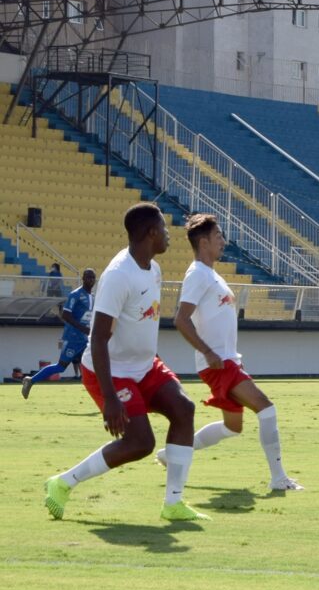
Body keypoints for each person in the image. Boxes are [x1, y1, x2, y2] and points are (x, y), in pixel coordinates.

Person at [43, 203, 207, 521]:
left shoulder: (153, 269)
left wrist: (151, 358)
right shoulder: (119, 276)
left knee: (184, 409)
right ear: (150, 233)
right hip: (111, 371)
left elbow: (142, 321)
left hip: (144, 366)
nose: (168, 235)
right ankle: (62, 483)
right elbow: (99, 338)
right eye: (164, 228)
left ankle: (173, 505)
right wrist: (110, 399)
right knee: (141, 442)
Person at [156, 214, 303, 491]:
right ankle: (279, 479)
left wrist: (230, 355)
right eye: (218, 237)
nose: (223, 241)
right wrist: (209, 352)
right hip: (218, 364)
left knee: (232, 427)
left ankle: (169, 456)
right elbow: (180, 319)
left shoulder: (210, 274)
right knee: (266, 408)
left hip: (226, 361)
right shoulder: (197, 274)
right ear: (203, 242)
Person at [22, 268, 96, 398]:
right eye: (88, 277)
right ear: (83, 279)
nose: (90, 280)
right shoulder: (75, 295)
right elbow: (66, 315)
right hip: (72, 337)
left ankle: (105, 393)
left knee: (97, 361)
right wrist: (82, 328)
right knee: (61, 367)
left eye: (92, 277)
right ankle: (30, 380)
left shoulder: (93, 297)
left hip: (85, 339)